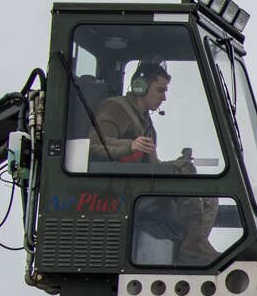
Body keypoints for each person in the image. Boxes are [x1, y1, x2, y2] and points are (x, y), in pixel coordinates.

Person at [91, 60, 218, 264]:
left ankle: (191, 245)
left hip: (142, 183)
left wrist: (176, 163)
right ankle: (194, 244)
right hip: (123, 190)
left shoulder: (144, 120)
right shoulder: (115, 108)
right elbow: (95, 142)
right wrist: (130, 146)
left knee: (210, 198)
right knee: (184, 171)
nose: (164, 97)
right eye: (160, 90)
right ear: (141, 86)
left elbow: (150, 162)